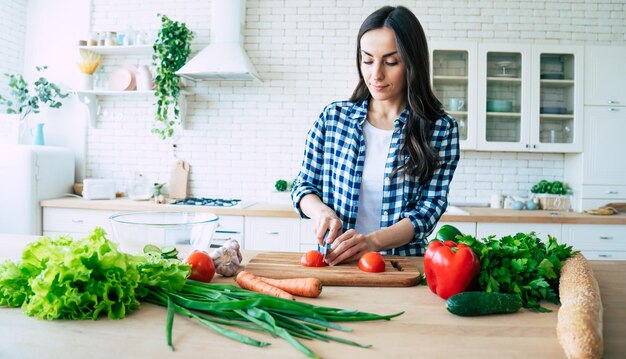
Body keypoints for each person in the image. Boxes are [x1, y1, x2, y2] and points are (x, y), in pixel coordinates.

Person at [291, 5, 460, 266]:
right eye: (367, 60)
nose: (376, 74)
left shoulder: (439, 129)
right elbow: (303, 187)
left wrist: (371, 243)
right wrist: (321, 212)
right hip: (337, 263)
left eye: (391, 62)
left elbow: (427, 212)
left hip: (401, 266)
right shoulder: (333, 118)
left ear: (412, 63)